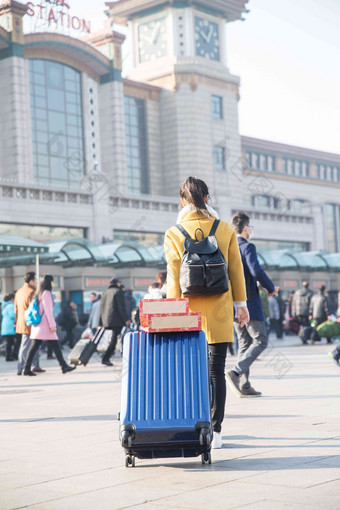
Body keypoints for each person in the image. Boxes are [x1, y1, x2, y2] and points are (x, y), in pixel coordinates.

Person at [164, 176, 248, 449]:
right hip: (220, 312)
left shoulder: (174, 233)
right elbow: (236, 270)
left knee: (191, 371)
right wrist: (241, 306)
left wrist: (171, 316)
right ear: (208, 199)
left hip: (188, 314)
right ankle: (217, 431)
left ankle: (195, 425)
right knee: (216, 371)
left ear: (182, 201)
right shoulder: (224, 229)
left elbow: (173, 280)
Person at [227, 212, 277, 398]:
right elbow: (255, 269)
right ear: (246, 228)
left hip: (233, 303)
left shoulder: (228, 247)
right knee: (261, 339)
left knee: (244, 343)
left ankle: (245, 384)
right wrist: (270, 287)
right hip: (249, 304)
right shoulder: (247, 247)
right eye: (250, 227)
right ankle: (236, 372)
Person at [23, 275, 76, 376]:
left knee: (38, 346)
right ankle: (63, 366)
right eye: (51, 282)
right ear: (48, 283)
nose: (52, 284)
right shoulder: (46, 293)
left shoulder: (39, 293)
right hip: (45, 326)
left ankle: (63, 366)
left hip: (39, 326)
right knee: (50, 346)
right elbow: (48, 311)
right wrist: (52, 325)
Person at [15, 272, 43, 375]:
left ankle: (35, 365)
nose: (37, 282)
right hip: (30, 322)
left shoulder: (19, 292)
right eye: (36, 280)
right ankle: (21, 367)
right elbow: (35, 308)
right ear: (31, 281)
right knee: (27, 345)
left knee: (33, 344)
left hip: (21, 321)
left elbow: (16, 309)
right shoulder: (31, 292)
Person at [99, 278, 131, 367]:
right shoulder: (118, 291)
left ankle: (106, 357)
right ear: (117, 283)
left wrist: (100, 322)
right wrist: (126, 319)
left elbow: (101, 308)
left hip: (106, 320)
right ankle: (106, 358)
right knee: (114, 339)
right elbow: (121, 307)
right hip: (116, 320)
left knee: (113, 339)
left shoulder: (105, 292)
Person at [1, 294, 16, 361]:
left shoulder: (4, 305)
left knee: (8, 342)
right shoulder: (10, 306)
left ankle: (8, 355)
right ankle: (8, 356)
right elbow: (12, 315)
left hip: (5, 326)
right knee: (10, 342)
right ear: (12, 299)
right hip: (9, 326)